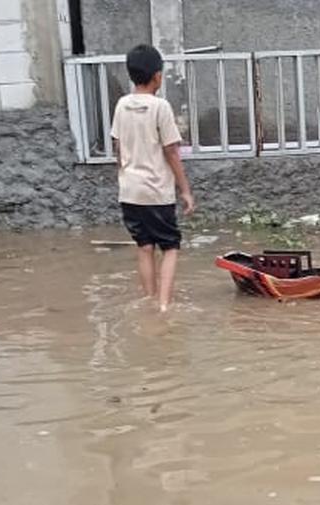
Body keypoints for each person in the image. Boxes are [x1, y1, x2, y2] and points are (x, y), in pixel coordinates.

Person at [111, 44, 196, 312]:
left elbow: (117, 147)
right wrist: (185, 190)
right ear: (157, 76)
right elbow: (171, 150)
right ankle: (163, 307)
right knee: (170, 247)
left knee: (144, 246)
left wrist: (123, 175)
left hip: (130, 191)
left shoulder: (122, 105)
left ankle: (149, 300)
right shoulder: (161, 107)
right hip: (156, 191)